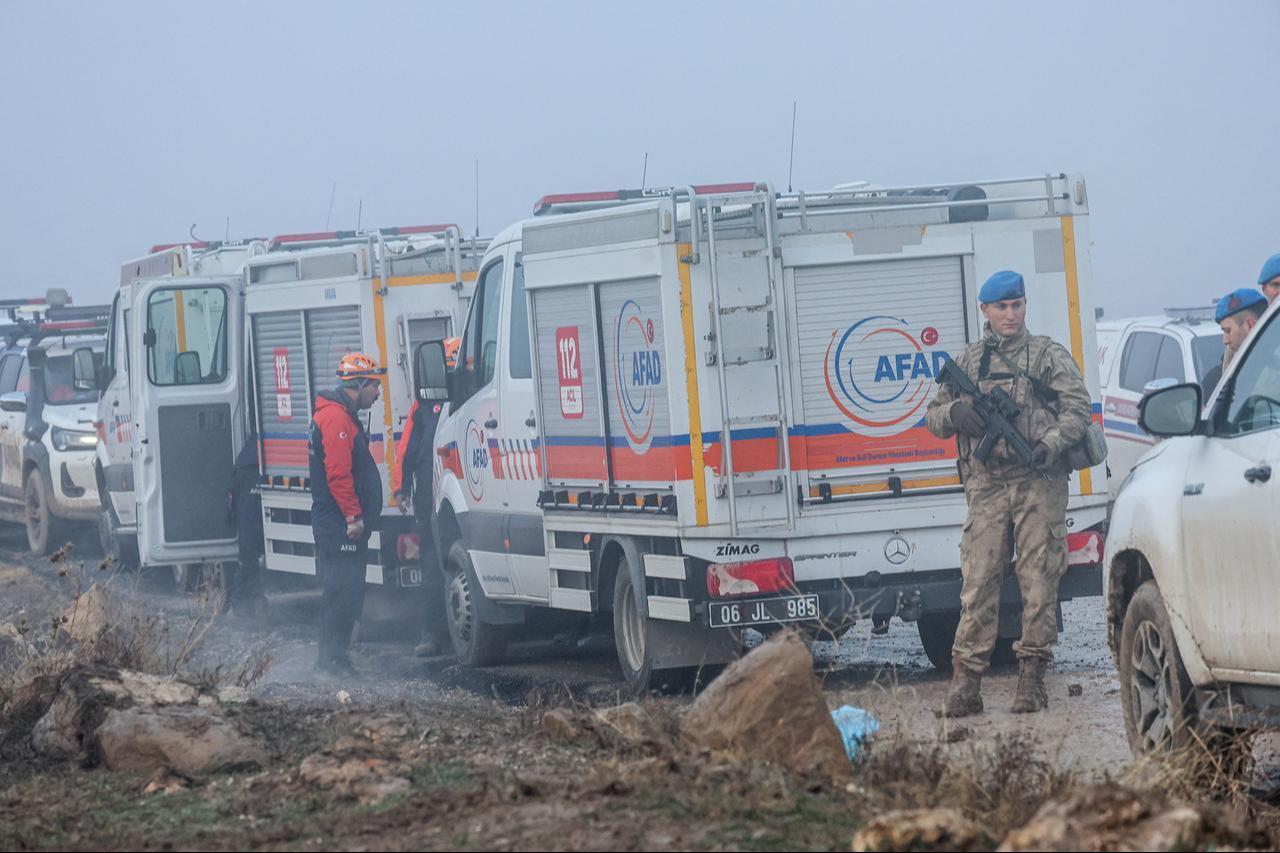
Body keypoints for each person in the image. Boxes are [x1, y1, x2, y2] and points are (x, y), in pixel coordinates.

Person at [925, 270, 1092, 717]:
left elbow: (1079, 408)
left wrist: (1052, 442)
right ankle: (965, 686)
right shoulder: (972, 360)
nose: (1011, 314)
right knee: (978, 583)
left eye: (1017, 305)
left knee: (1039, 581)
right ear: (985, 310)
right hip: (988, 486)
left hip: (1038, 481)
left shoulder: (1046, 355)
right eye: (1001, 307)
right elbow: (933, 416)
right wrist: (958, 411)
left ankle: (1032, 681)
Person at [309, 352, 385, 676]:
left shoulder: (336, 416)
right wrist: (353, 517)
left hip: (336, 521)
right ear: (359, 384)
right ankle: (333, 662)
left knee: (343, 589)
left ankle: (333, 659)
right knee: (343, 591)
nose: (378, 394)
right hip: (339, 524)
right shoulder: (337, 420)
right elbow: (338, 474)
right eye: (374, 386)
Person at [1200, 288, 1266, 397]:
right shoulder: (1214, 381)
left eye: (1228, 331)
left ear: (1250, 325)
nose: (1225, 340)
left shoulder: (1272, 370)